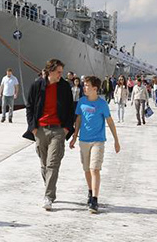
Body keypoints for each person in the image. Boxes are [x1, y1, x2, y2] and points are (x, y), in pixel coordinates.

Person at [23, 59, 75, 211]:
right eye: (58, 72)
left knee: (53, 163)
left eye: (61, 72)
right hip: (40, 130)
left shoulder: (65, 86)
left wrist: (66, 129)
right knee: (44, 164)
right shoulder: (37, 85)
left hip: (58, 130)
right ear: (50, 71)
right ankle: (50, 188)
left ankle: (48, 196)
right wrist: (33, 128)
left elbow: (70, 109)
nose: (61, 75)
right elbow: (29, 107)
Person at [69, 76, 120, 213]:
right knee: (86, 169)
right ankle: (90, 191)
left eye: (87, 85)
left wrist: (116, 140)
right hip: (83, 140)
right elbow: (78, 120)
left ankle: (95, 200)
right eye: (84, 85)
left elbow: (110, 122)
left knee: (94, 169)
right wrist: (74, 137)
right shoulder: (82, 101)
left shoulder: (102, 104)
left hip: (98, 141)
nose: (84, 87)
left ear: (95, 88)